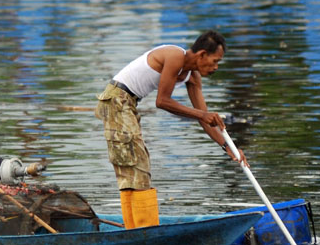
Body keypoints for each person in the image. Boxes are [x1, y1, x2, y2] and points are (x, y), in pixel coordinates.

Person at [95, 30, 246, 229]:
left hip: (127, 103)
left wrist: (228, 146)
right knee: (137, 166)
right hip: (116, 99)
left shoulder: (193, 77)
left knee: (134, 168)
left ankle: (135, 228)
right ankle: (143, 230)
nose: (216, 67)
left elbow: (205, 119)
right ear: (201, 55)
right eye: (215, 61)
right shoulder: (175, 57)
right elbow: (163, 101)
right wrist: (202, 115)